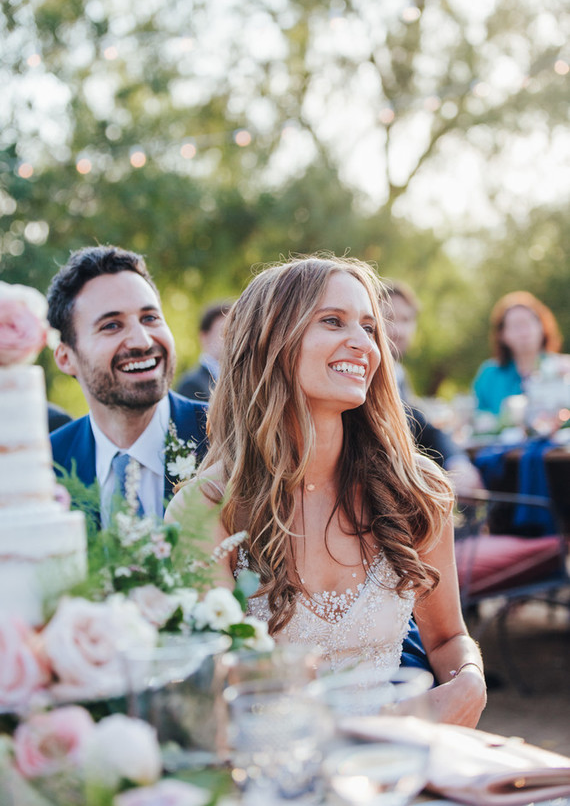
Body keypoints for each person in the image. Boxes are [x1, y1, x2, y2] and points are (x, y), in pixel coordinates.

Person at [167, 256, 487, 726]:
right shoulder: (208, 509)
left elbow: (445, 640)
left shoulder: (415, 489)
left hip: (405, 766)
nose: (363, 344)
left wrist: (469, 677)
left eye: (369, 327)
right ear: (269, 342)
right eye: (333, 321)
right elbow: (221, 699)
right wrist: (405, 717)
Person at [47, 246, 208, 528]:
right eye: (111, 325)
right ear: (65, 358)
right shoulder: (47, 469)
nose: (142, 341)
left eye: (150, 318)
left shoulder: (230, 440)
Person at [384, 281, 483, 494]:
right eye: (388, 318)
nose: (398, 330)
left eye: (406, 320)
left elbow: (422, 427)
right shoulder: (365, 372)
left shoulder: (398, 372)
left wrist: (457, 461)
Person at [473, 291, 563, 416]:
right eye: (516, 326)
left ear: (542, 327)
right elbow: (479, 420)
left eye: (528, 323)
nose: (523, 332)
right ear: (502, 335)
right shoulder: (489, 374)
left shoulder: (563, 368)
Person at [176, 301, 232, 401]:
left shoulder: (236, 379)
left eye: (233, 331)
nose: (230, 338)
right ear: (204, 337)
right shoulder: (191, 385)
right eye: (223, 332)